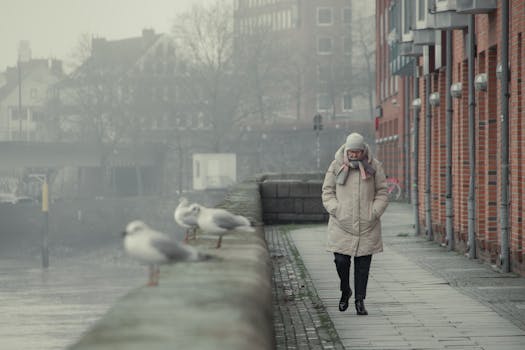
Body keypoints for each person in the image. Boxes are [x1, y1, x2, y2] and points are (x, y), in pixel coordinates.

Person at [321, 132, 389, 315]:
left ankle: (360, 300)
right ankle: (345, 290)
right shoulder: (336, 165)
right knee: (340, 261)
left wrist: (374, 212)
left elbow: (383, 192)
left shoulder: (374, 167)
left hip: (368, 224)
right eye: (351, 152)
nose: (353, 155)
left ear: (363, 151)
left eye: (357, 152)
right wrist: (336, 209)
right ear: (346, 150)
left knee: (363, 266)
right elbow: (327, 191)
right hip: (341, 223)